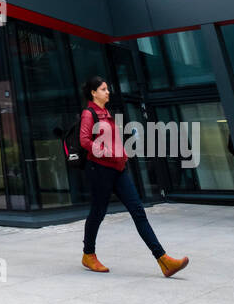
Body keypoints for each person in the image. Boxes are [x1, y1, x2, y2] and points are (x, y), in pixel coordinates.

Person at [79, 76, 189, 277]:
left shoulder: (106, 113)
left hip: (119, 170)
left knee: (138, 211)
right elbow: (85, 140)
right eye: (103, 89)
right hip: (100, 170)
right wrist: (108, 152)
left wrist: (122, 152)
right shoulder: (89, 113)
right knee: (98, 212)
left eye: (107, 88)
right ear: (94, 93)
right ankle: (88, 254)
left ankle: (163, 260)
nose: (108, 92)